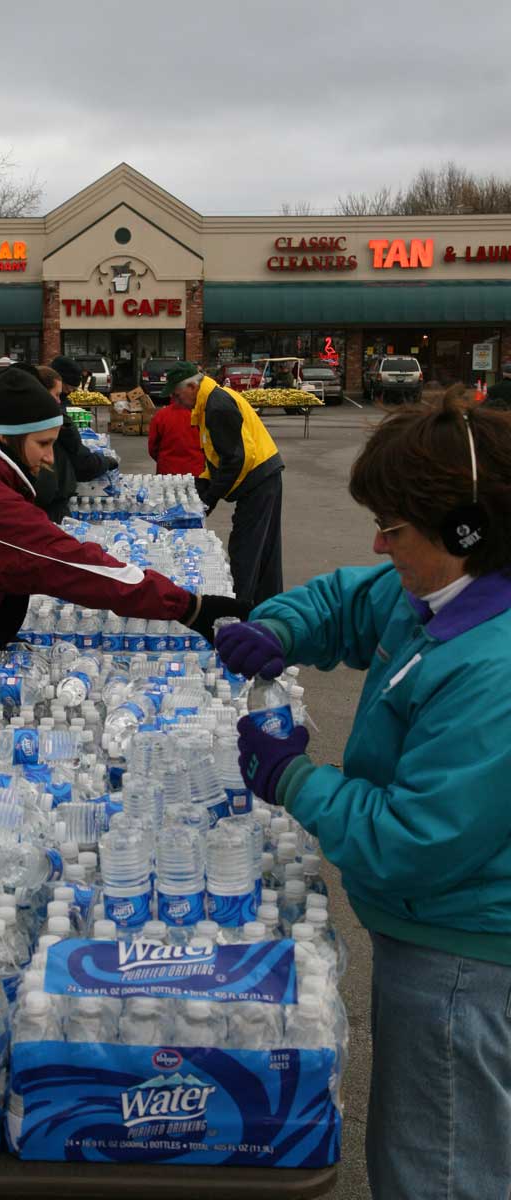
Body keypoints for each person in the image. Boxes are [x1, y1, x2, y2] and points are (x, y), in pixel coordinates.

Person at [215, 387, 511, 1200]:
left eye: (396, 528)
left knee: (440, 1168)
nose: (379, 544)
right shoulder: (441, 591)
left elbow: (417, 841)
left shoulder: (494, 667)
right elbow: (347, 599)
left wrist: (295, 778)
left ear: (467, 527)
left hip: (463, 952)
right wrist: (275, 627)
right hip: (432, 931)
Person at [0, 367, 246, 681]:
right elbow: (82, 570)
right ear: (6, 437)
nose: (48, 457)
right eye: (42, 443)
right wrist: (187, 607)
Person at [165, 362, 284, 607]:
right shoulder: (208, 402)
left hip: (259, 479)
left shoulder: (217, 406)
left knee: (245, 549)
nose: (176, 401)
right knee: (262, 549)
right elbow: (217, 455)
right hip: (264, 475)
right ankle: (266, 604)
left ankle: (242, 607)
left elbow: (237, 459)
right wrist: (202, 484)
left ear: (191, 386)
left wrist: (210, 498)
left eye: (177, 395)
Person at [34, 356, 115, 523]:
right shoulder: (51, 419)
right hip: (50, 502)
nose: (61, 398)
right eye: (58, 393)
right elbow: (80, 460)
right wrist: (104, 462)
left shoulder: (47, 413)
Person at [147, 379, 205, 476]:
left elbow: (153, 447)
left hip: (167, 472)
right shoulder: (202, 414)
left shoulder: (161, 416)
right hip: (197, 472)